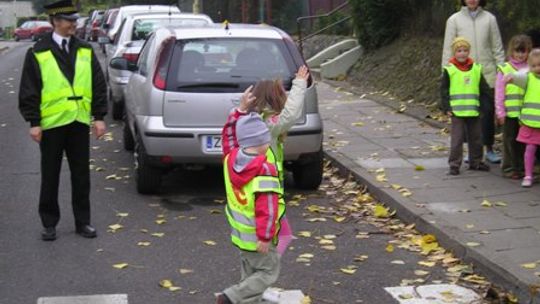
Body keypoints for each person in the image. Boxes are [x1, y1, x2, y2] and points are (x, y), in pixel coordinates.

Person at [18, 0, 107, 241]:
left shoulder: (85, 49)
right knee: (50, 174)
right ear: (56, 22)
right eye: (69, 20)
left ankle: (83, 222)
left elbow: (98, 85)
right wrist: (33, 122)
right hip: (52, 124)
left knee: (81, 175)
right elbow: (29, 90)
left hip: (78, 121)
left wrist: (99, 117)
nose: (74, 24)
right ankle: (49, 223)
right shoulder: (38, 52)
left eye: (74, 20)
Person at [221, 65, 310, 254]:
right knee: (275, 233)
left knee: (282, 233)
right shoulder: (267, 125)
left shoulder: (248, 123)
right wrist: (299, 84)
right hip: (266, 187)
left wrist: (240, 109)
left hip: (253, 190)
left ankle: (265, 263)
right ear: (275, 97)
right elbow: (291, 113)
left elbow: (228, 136)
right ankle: (266, 264)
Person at [218, 113, 284, 304]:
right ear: (263, 141)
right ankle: (231, 297)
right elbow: (268, 208)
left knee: (249, 276)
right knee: (267, 272)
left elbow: (227, 140)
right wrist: (265, 237)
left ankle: (240, 299)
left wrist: (236, 113)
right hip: (258, 236)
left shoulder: (231, 159)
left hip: (240, 234)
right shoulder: (265, 169)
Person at [442, 0, 505, 164]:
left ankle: (489, 148)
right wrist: (446, 74)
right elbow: (448, 49)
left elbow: (496, 47)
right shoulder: (454, 20)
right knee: (467, 116)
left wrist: (503, 72)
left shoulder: (490, 19)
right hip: (462, 77)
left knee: (487, 112)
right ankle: (472, 151)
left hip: (486, 74)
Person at [441, 37, 491, 175]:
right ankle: (454, 164)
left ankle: (476, 162)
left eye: (465, 50)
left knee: (476, 138)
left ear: (469, 52)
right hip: (456, 111)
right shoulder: (449, 70)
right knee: (457, 140)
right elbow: (444, 90)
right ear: (454, 53)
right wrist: (446, 108)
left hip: (474, 110)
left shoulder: (476, 69)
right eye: (459, 50)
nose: (462, 53)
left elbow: (484, 89)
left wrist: (484, 106)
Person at [495, 35, 532, 179]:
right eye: (518, 51)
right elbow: (499, 93)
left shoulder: (531, 68)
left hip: (525, 113)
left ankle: (522, 167)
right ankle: (509, 168)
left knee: (523, 142)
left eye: (524, 51)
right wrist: (500, 112)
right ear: (511, 51)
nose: (520, 55)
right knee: (509, 141)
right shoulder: (504, 69)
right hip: (510, 113)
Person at [504, 49, 540, 187]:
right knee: (529, 150)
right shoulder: (528, 78)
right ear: (529, 66)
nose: (537, 68)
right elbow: (518, 78)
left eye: (539, 65)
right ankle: (528, 175)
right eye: (533, 66)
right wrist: (510, 77)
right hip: (530, 122)